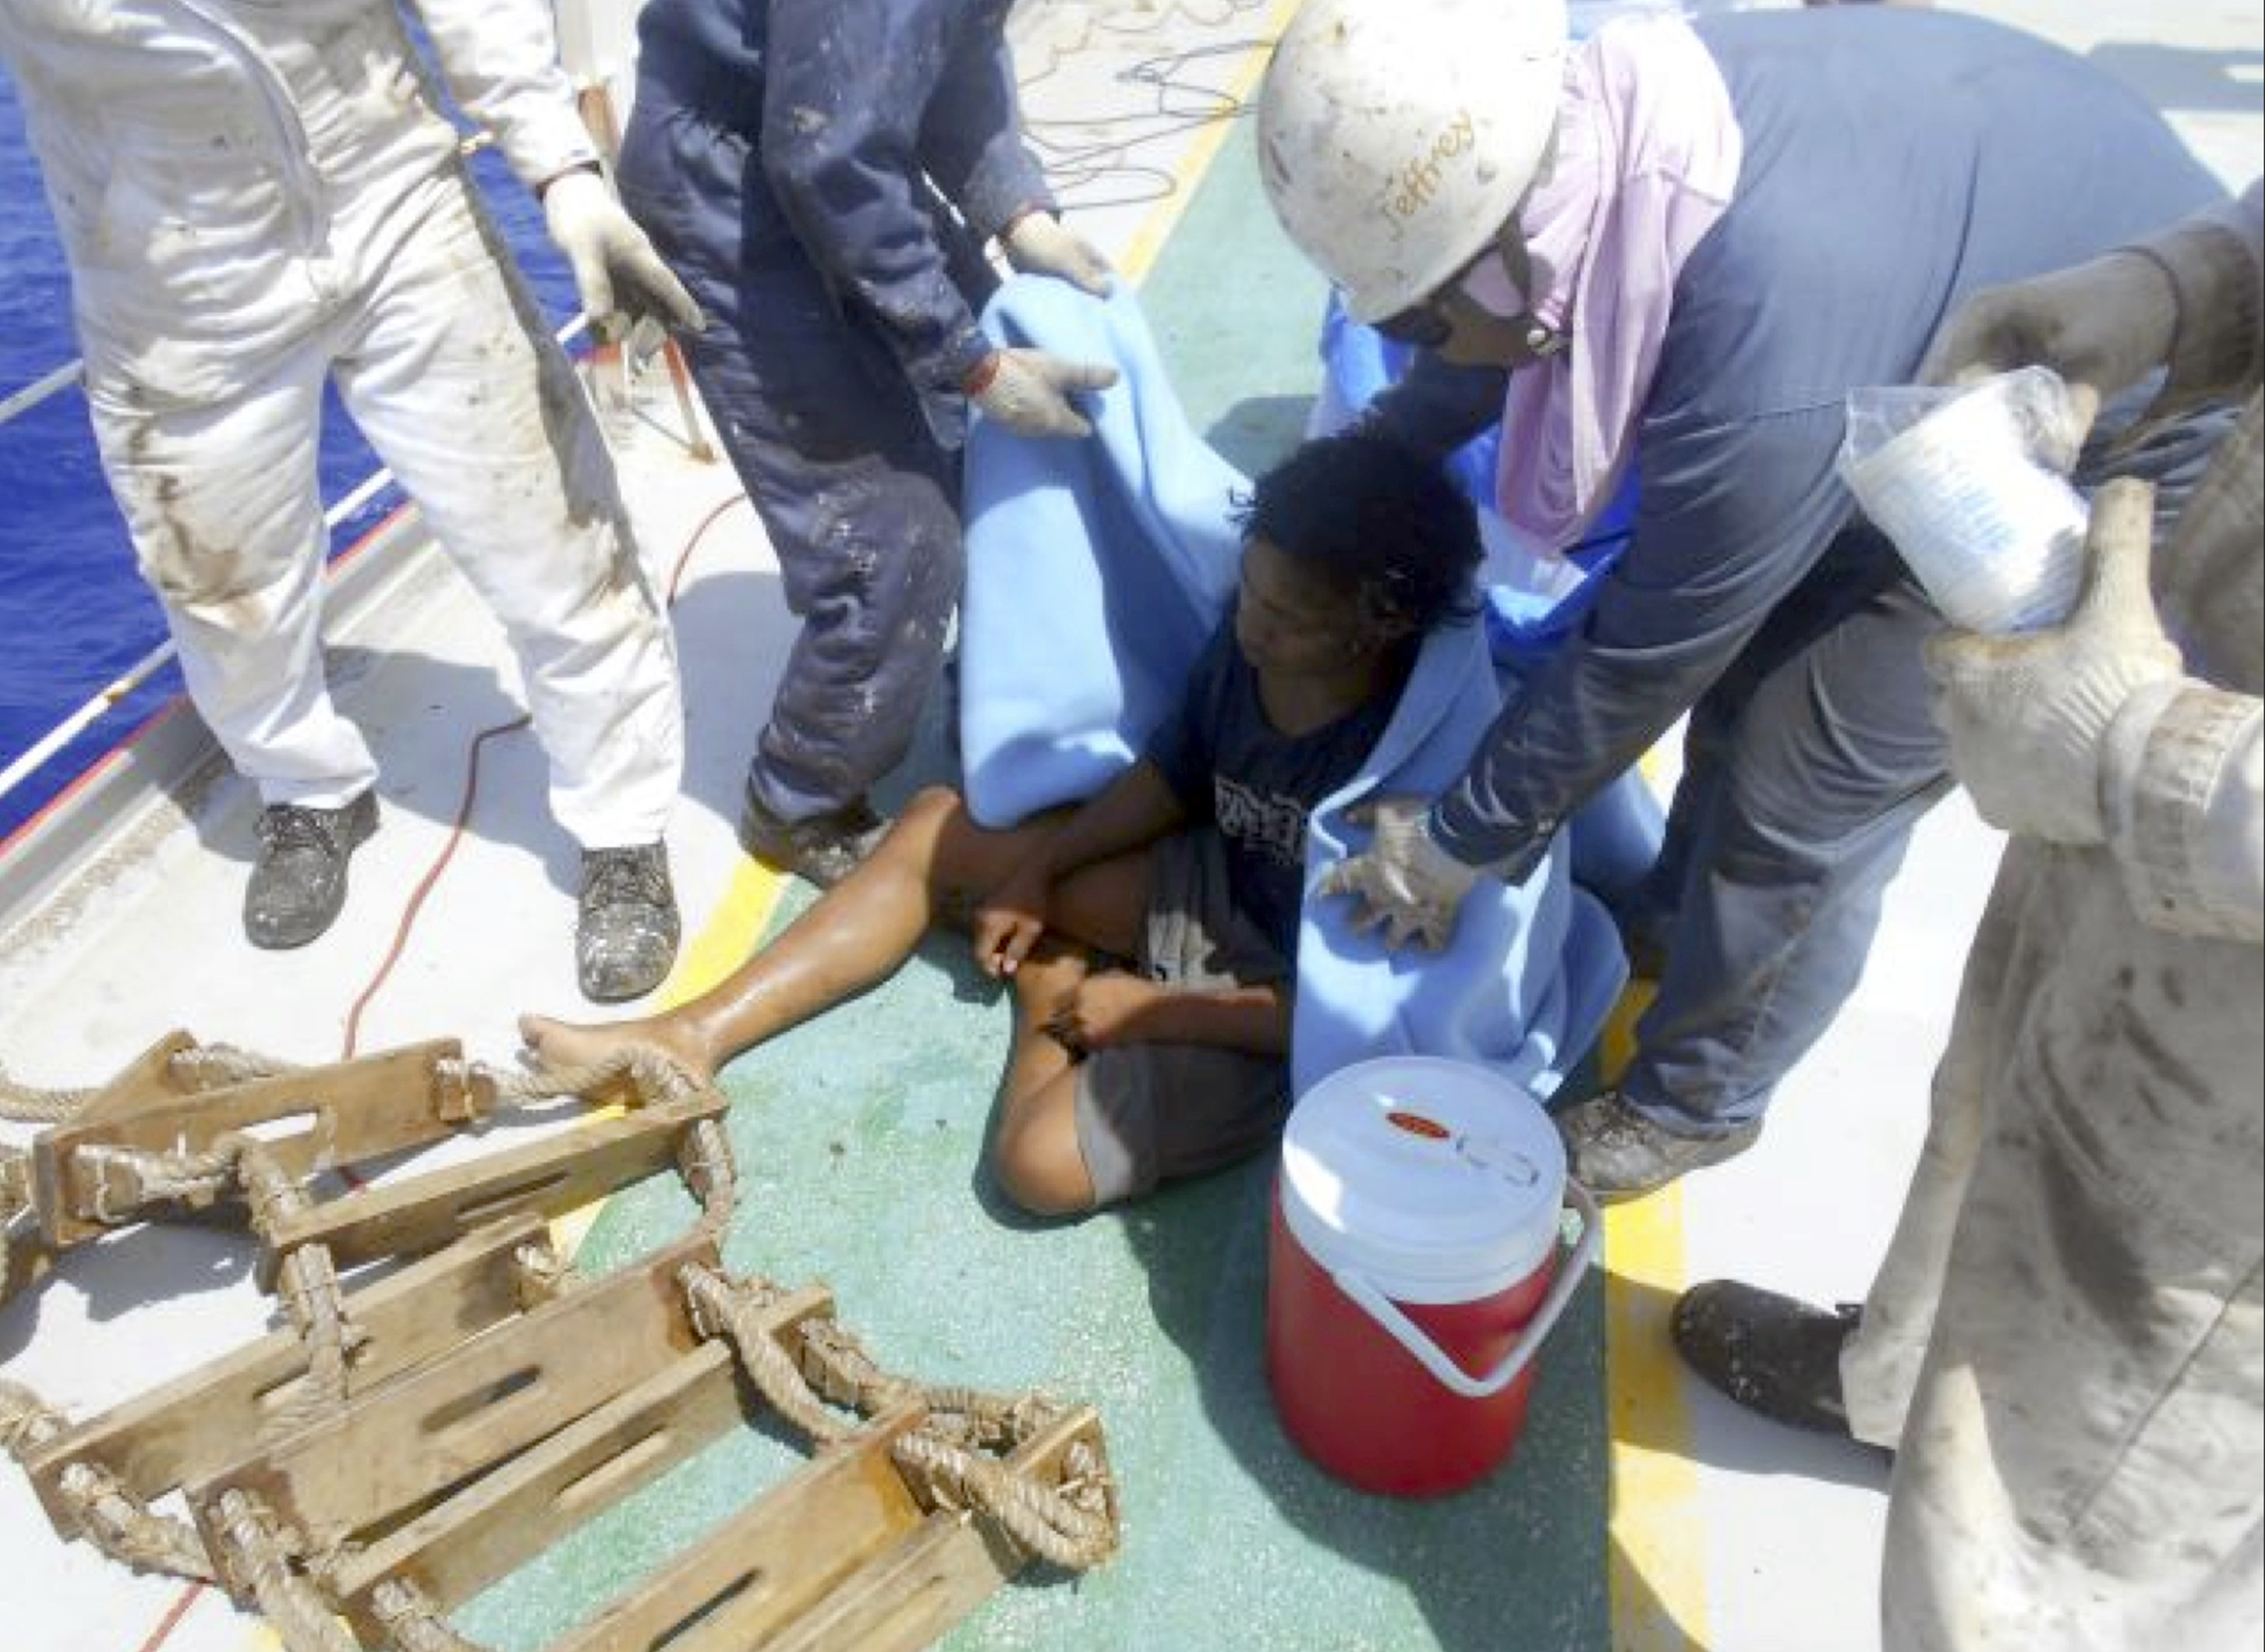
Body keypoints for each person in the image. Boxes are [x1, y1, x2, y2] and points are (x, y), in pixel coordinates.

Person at [1254, 0, 2231, 1197]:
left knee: (1804, 781)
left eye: (1420, 314)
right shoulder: (1604, 146)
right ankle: (1673, 912)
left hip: (2129, 414)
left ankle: (1697, 1100)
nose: (1418, 343)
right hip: (1933, 315)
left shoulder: (1754, 366)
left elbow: (1642, 659)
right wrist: (1356, 476)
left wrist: (1455, 845)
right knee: (1755, 670)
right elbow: (1483, 351)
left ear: (1516, 259)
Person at [1672, 184, 2263, 1652]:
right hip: (2177, 707)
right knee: (1994, 1100)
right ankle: (1889, 1379)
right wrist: (2199, 283)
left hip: (2231, 1001)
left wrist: (2150, 757)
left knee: (2056, 1537)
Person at [521, 430, 1483, 1214]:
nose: (1253, 627)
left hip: (1284, 1008)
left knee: (1039, 1169)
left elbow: (1360, 1018)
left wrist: (1157, 1011)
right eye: (1254, 590)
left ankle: (1050, 989)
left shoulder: (1413, 783)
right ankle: (688, 1037)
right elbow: (1171, 777)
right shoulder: (1251, 642)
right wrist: (1040, 870)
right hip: (1213, 889)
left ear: (1378, 627)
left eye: (1288, 617)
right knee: (940, 829)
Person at [0, 0, 701, 1002]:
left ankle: (623, 829)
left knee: (561, 544)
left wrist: (565, 173)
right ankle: (306, 789)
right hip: (172, 282)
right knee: (223, 589)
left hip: (397, 211)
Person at [612, 0, 1122, 890]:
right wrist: (967, 359)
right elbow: (827, 157)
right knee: (892, 536)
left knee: (984, 456)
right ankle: (801, 799)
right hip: (725, 185)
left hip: (828, 131)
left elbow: (956, 47)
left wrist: (1016, 208)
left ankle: (999, 688)